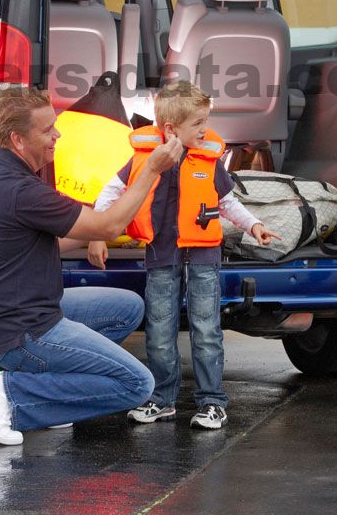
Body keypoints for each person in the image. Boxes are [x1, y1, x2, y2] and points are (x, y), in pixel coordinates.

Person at [0, 86, 184, 446]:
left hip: (16, 313)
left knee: (128, 308)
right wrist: (152, 170)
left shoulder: (0, 174)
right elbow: (110, 224)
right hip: (21, 330)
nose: (58, 135)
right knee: (137, 384)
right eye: (48, 130)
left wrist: (94, 233)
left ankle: (55, 402)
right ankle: (13, 396)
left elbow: (60, 237)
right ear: (18, 139)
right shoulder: (21, 189)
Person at [88, 81, 281, 430]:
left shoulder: (208, 160)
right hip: (162, 254)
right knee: (160, 333)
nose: (204, 129)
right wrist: (98, 235)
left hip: (204, 257)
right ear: (171, 129)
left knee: (206, 330)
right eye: (198, 123)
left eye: (205, 121)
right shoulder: (143, 159)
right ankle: (163, 400)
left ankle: (212, 403)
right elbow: (112, 192)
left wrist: (253, 225)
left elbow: (227, 203)